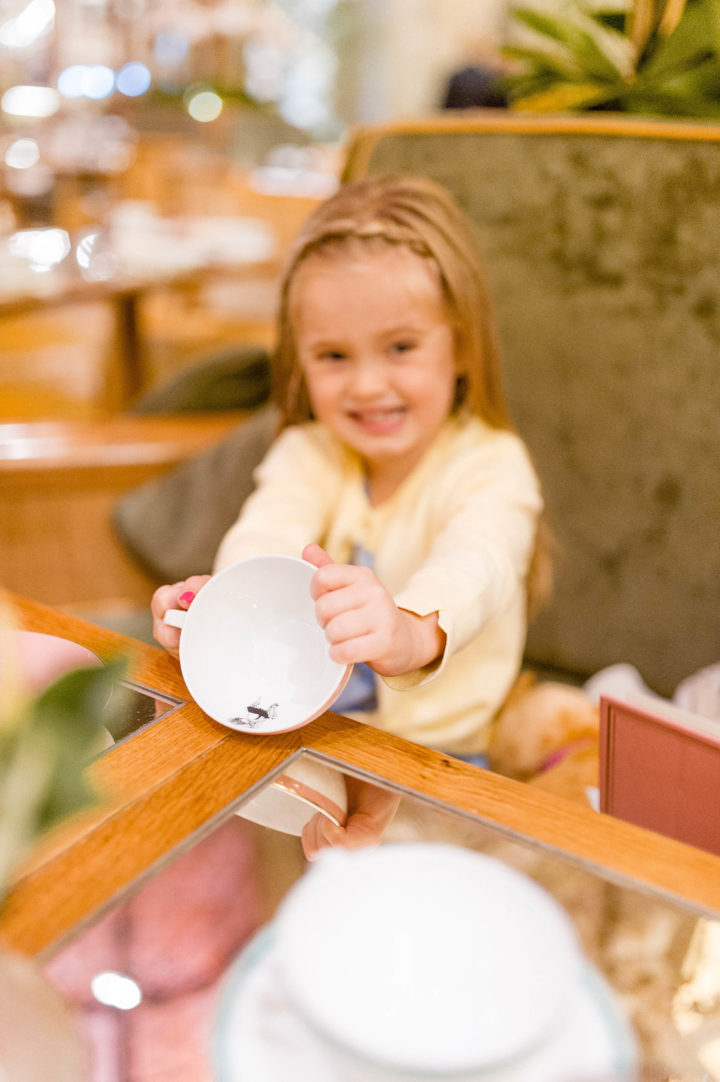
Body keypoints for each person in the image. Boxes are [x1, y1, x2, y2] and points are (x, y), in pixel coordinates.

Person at [151, 174, 549, 857]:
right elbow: (266, 529)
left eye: (400, 348)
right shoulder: (309, 451)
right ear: (301, 364)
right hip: (310, 742)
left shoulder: (493, 465)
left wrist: (408, 631)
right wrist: (221, 610)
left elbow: (478, 561)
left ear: (461, 345)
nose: (367, 385)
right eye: (334, 356)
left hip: (437, 767)